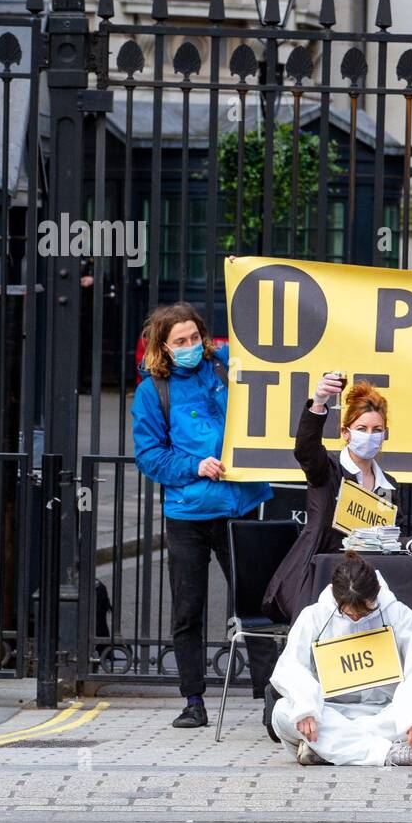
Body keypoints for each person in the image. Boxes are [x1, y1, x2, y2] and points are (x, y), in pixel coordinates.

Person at [131, 302, 274, 729]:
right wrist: (194, 466)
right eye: (181, 341)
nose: (191, 346)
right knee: (187, 609)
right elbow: (149, 455)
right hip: (189, 512)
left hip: (241, 505)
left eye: (195, 337)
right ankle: (193, 700)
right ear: (164, 346)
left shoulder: (226, 366)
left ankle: (272, 699)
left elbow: (273, 362)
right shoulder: (152, 391)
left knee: (259, 606)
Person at [262, 376, 412, 627]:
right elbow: (306, 450)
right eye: (362, 429)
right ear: (346, 433)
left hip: (370, 583)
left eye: (377, 430)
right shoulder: (328, 469)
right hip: (320, 579)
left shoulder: (389, 485)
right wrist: (318, 403)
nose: (370, 436)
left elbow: (391, 538)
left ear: (386, 434)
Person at [269, 552, 412, 767]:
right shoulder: (313, 616)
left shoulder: (397, 614)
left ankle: (327, 750)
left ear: (378, 592)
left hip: (383, 712)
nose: (355, 617)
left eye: (363, 611)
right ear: (334, 593)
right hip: (328, 713)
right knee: (282, 712)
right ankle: (388, 753)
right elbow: (291, 666)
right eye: (349, 612)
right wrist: (306, 707)